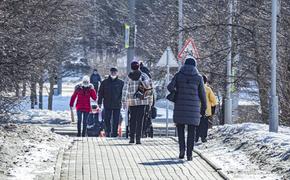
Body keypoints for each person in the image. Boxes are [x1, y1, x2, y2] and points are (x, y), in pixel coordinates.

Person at [167, 56, 206, 161]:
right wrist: (204, 107)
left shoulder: (178, 75)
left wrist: (176, 92)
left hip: (180, 106)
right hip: (194, 109)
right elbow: (202, 94)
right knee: (191, 132)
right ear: (195, 65)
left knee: (180, 130)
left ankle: (182, 150)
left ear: (184, 64)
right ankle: (189, 154)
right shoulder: (198, 77)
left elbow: (169, 87)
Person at [122, 60, 153, 144]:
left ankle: (132, 138)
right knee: (140, 120)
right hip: (143, 101)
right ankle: (138, 138)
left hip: (132, 102)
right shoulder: (144, 76)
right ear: (139, 67)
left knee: (132, 119)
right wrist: (150, 101)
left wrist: (124, 101)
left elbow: (125, 89)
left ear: (131, 68)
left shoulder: (129, 77)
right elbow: (150, 89)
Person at [98, 67, 124, 137]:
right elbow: (100, 93)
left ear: (117, 73)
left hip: (117, 104)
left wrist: (124, 102)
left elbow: (123, 94)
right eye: (112, 72)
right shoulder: (104, 82)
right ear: (110, 73)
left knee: (116, 120)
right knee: (107, 119)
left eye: (115, 72)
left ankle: (114, 133)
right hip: (107, 104)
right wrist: (99, 102)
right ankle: (108, 132)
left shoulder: (121, 83)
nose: (113, 74)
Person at [196, 75, 218, 143]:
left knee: (197, 124)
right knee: (204, 124)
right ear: (205, 81)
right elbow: (213, 100)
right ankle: (203, 137)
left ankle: (196, 137)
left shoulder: (195, 88)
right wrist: (213, 107)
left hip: (196, 110)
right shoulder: (208, 89)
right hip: (206, 110)